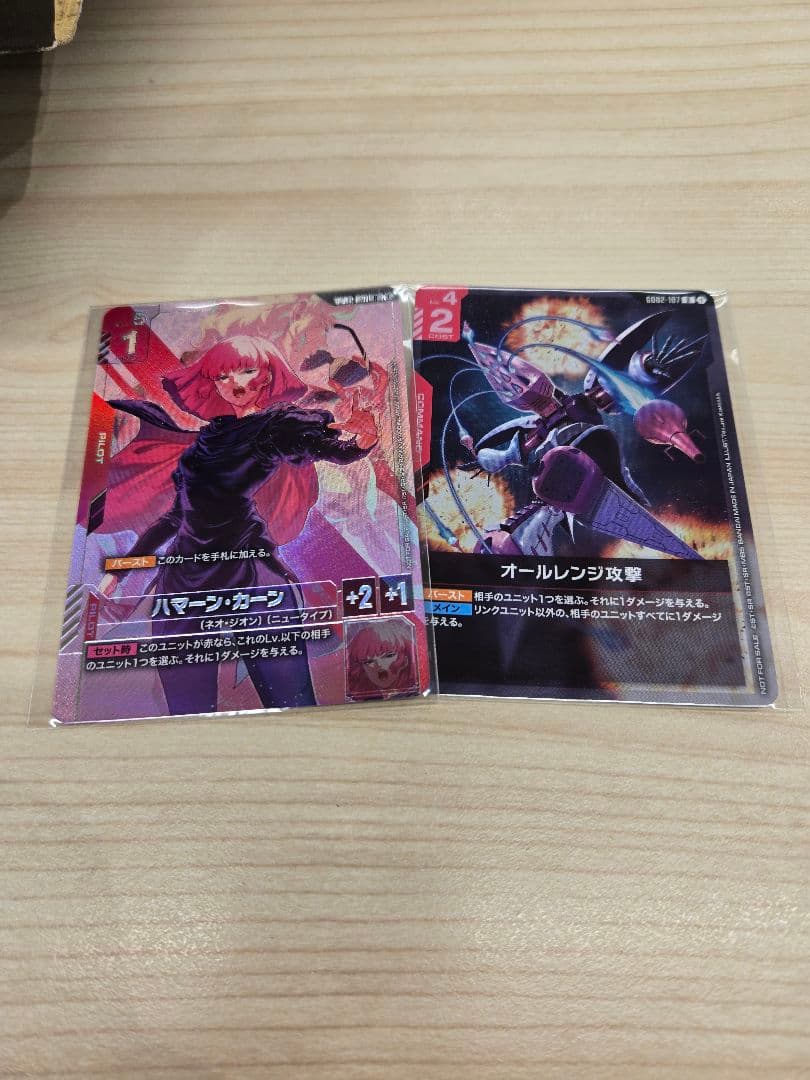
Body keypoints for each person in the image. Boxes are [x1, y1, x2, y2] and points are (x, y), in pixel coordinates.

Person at [97, 335, 376, 714]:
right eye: (223, 376)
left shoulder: (275, 426)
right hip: (184, 581)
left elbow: (332, 449)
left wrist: (363, 440)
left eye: (246, 371)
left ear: (267, 376)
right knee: (187, 712)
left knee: (292, 705)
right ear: (212, 384)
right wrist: (119, 572)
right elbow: (177, 516)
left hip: (250, 574)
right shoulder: (205, 442)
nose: (236, 383)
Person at [346, 617, 417, 701]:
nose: (379, 665)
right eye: (369, 661)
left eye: (388, 656)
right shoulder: (360, 696)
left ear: (405, 658)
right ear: (362, 669)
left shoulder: (414, 690)